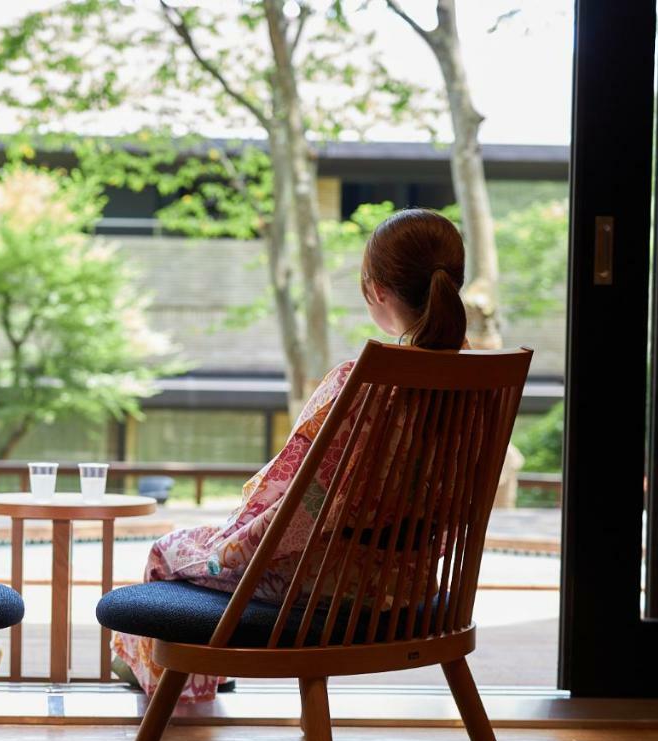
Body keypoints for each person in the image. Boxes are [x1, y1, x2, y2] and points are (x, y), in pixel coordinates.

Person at [112, 208, 469, 701]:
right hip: (414, 586)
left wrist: (230, 542)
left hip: (328, 590)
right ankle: (180, 679)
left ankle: (179, 688)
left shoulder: (362, 384)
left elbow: (298, 502)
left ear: (376, 290)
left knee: (168, 550)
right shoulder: (476, 388)